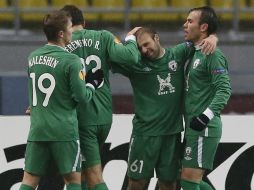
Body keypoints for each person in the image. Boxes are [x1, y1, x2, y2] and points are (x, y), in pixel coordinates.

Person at [111, 27, 218, 190]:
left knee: (168, 184)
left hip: (172, 134)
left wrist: (213, 38)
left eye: (146, 44)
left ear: (157, 38)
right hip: (144, 135)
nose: (144, 50)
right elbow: (110, 53)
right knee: (136, 184)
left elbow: (199, 38)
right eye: (140, 48)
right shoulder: (135, 63)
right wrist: (128, 40)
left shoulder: (178, 54)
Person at [19, 10, 103, 190]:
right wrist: (92, 84)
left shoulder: (32, 57)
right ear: (61, 34)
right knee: (72, 180)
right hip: (63, 131)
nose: (72, 31)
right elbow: (81, 97)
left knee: (29, 181)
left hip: (38, 130)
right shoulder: (72, 60)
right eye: (69, 28)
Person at [61, 5, 141, 190]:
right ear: (84, 22)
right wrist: (129, 39)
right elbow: (130, 57)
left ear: (65, 24)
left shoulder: (62, 43)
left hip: (80, 116)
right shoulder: (104, 37)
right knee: (84, 176)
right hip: (104, 115)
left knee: (89, 176)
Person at [180, 6, 231, 190]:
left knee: (189, 180)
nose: (185, 25)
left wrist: (205, 116)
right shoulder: (195, 52)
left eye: (190, 21)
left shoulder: (213, 54)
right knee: (186, 178)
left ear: (203, 27)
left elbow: (224, 89)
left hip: (205, 127)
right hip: (194, 126)